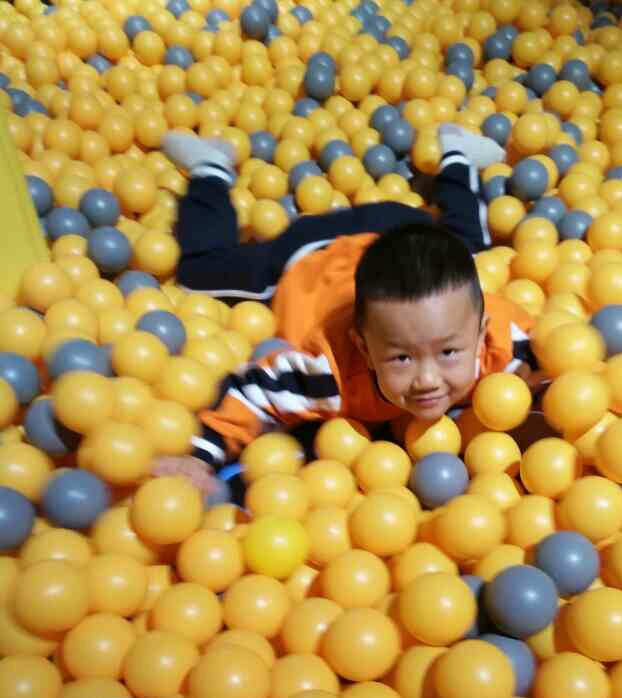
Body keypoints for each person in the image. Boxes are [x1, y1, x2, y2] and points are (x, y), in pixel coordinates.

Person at [155, 125, 541, 493]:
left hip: (409, 230)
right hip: (318, 248)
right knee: (198, 274)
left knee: (467, 249)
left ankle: (458, 153)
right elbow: (253, 392)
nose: (427, 379)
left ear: (480, 333)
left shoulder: (503, 345)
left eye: (449, 352)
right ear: (363, 348)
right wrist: (199, 457)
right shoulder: (331, 374)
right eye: (402, 358)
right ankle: (211, 167)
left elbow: (551, 356)